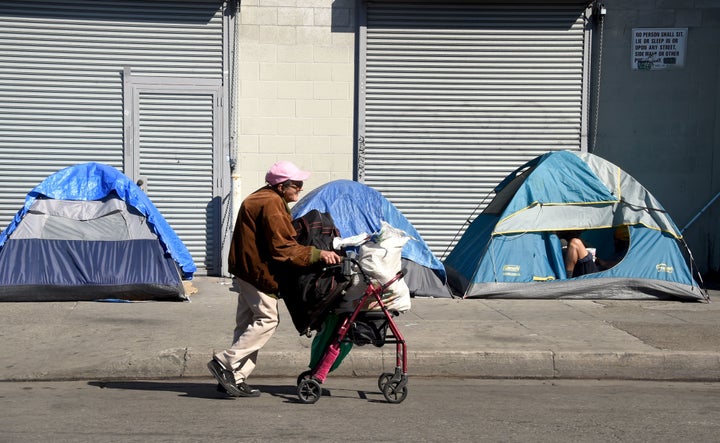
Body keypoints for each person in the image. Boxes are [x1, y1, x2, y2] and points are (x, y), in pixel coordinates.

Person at [207, 160, 342, 397]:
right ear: (281, 186)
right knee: (267, 320)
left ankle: (234, 378)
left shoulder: (263, 198)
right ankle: (225, 362)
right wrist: (318, 253)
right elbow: (283, 248)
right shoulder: (271, 204)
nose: (300, 189)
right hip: (257, 272)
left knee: (247, 323)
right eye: (296, 185)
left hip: (246, 269)